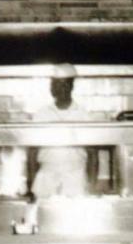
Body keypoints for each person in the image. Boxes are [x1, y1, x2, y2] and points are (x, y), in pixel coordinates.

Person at [30, 63, 97, 198]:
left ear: (71, 86)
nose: (59, 88)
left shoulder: (83, 115)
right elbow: (32, 153)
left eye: (63, 84)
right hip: (46, 177)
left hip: (75, 178)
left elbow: (93, 155)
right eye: (55, 84)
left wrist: (91, 185)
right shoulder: (41, 114)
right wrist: (31, 182)